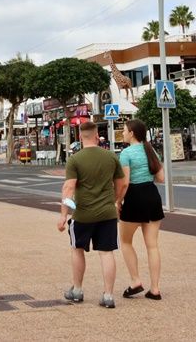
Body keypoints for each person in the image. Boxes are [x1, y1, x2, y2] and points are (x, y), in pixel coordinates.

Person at [57, 121, 128, 309]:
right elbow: (122, 184)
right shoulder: (111, 157)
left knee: (77, 249)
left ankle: (78, 290)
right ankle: (108, 295)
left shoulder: (75, 159)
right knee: (106, 253)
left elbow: (69, 188)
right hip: (107, 213)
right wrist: (115, 200)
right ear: (97, 136)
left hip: (83, 214)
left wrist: (64, 214)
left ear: (80, 137)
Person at [117, 119, 165, 300]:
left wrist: (118, 202)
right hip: (152, 196)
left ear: (132, 133)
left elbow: (125, 183)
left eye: (124, 130)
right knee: (152, 245)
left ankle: (135, 281)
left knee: (126, 241)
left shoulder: (126, 153)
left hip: (134, 197)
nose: (122, 133)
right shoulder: (151, 151)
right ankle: (155, 289)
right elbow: (160, 178)